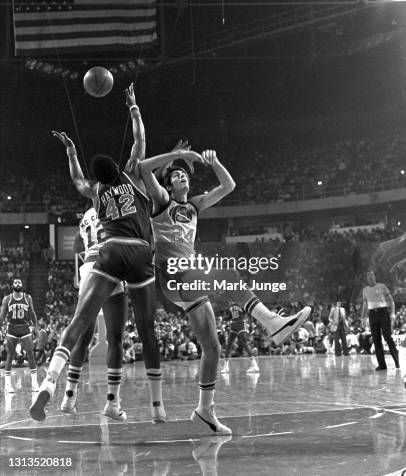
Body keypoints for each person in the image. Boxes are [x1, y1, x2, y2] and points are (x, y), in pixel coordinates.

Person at [139, 147, 310, 436]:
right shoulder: (162, 201)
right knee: (227, 273)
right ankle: (271, 322)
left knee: (213, 348)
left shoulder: (194, 206)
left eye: (184, 174)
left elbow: (229, 186)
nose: (182, 176)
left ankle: (205, 411)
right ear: (169, 185)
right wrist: (178, 153)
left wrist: (215, 162)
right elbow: (143, 167)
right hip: (171, 276)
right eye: (176, 175)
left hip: (191, 280)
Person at [30, 84, 165, 422]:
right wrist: (134, 109)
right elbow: (140, 142)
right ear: (117, 168)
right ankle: (153, 407)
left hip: (101, 256)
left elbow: (76, 179)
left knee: (80, 325)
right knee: (138, 331)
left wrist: (72, 152)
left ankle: (52, 382)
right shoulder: (130, 175)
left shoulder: (94, 191)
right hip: (136, 252)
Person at [59, 205, 128, 421]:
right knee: (115, 339)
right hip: (109, 265)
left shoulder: (86, 217)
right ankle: (113, 402)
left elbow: (78, 247)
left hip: (87, 268)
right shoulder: (117, 206)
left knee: (83, 337)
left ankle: (69, 396)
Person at [0, 278, 39, 393]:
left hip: (25, 327)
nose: (17, 284)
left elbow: (32, 313)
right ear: (12, 285)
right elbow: (2, 315)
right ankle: (7, 385)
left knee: (30, 354)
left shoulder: (28, 298)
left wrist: (36, 326)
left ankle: (34, 384)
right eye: (15, 282)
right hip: (11, 328)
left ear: (22, 285)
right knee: (10, 356)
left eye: (19, 282)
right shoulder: (7, 298)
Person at [361, 270, 399, 371]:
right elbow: (365, 304)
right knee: (376, 340)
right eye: (368, 275)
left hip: (383, 313)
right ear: (366, 278)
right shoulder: (365, 290)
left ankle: (396, 360)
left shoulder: (382, 286)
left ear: (375, 276)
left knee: (387, 336)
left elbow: (391, 300)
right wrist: (363, 317)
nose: (370, 277)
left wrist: (393, 313)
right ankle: (382, 365)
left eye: (372, 275)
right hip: (372, 315)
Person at [221, 301, 259, 374]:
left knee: (244, 342)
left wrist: (251, 325)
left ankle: (254, 365)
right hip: (233, 325)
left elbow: (249, 313)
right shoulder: (230, 304)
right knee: (228, 344)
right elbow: (230, 316)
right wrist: (224, 319)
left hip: (241, 324)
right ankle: (226, 367)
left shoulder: (241, 301)